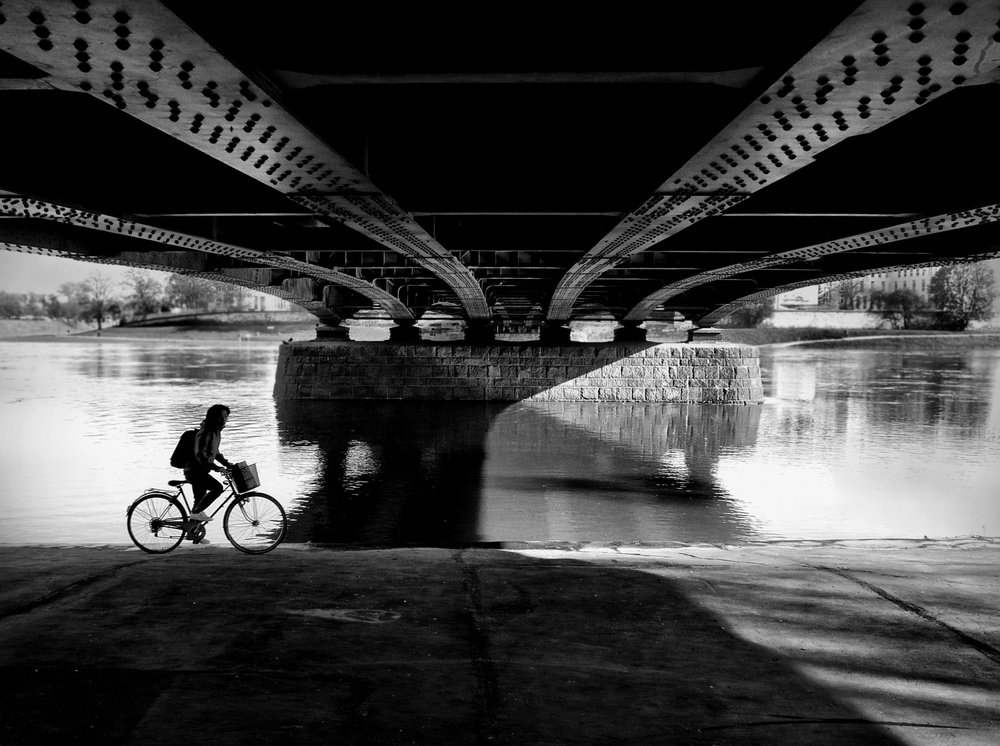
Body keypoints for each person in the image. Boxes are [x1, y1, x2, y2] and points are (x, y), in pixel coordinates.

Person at [184, 404, 234, 539]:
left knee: (199, 500)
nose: (224, 420)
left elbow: (215, 453)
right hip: (194, 471)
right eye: (221, 417)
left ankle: (192, 533)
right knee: (217, 488)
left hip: (201, 471)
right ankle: (196, 513)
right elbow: (200, 454)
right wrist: (215, 467)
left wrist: (228, 465)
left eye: (226, 417)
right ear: (213, 417)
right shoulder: (205, 431)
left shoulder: (215, 431)